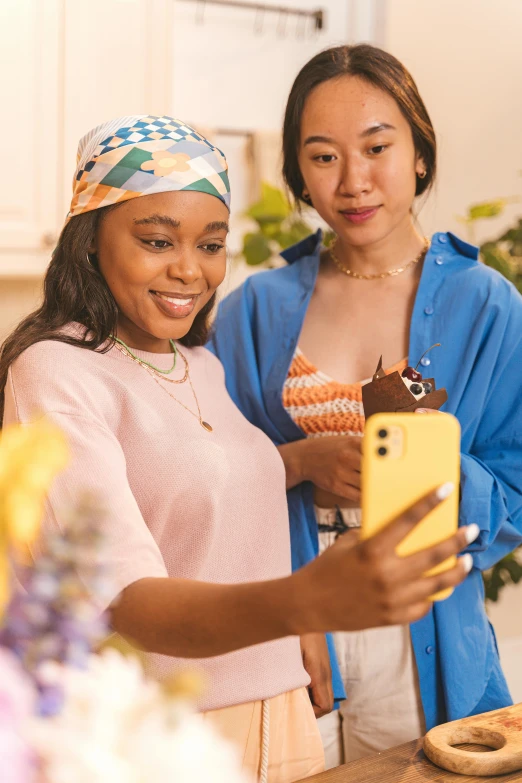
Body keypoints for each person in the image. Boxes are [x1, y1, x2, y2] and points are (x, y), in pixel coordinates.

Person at [0, 114, 475, 783]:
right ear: (88, 241)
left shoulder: (196, 361)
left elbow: (192, 484)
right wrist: (304, 601)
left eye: (211, 243)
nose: (190, 270)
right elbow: (124, 603)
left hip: (279, 708)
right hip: (157, 730)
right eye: (157, 240)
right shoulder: (53, 373)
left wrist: (301, 461)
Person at [209, 45, 522, 768]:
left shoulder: (488, 306)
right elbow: (206, 479)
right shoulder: (254, 309)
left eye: (377, 147)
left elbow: (514, 486)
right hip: (283, 617)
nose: (353, 181)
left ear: (418, 152)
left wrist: (424, 469)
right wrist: (296, 462)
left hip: (424, 612)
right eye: (322, 157)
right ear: (298, 172)